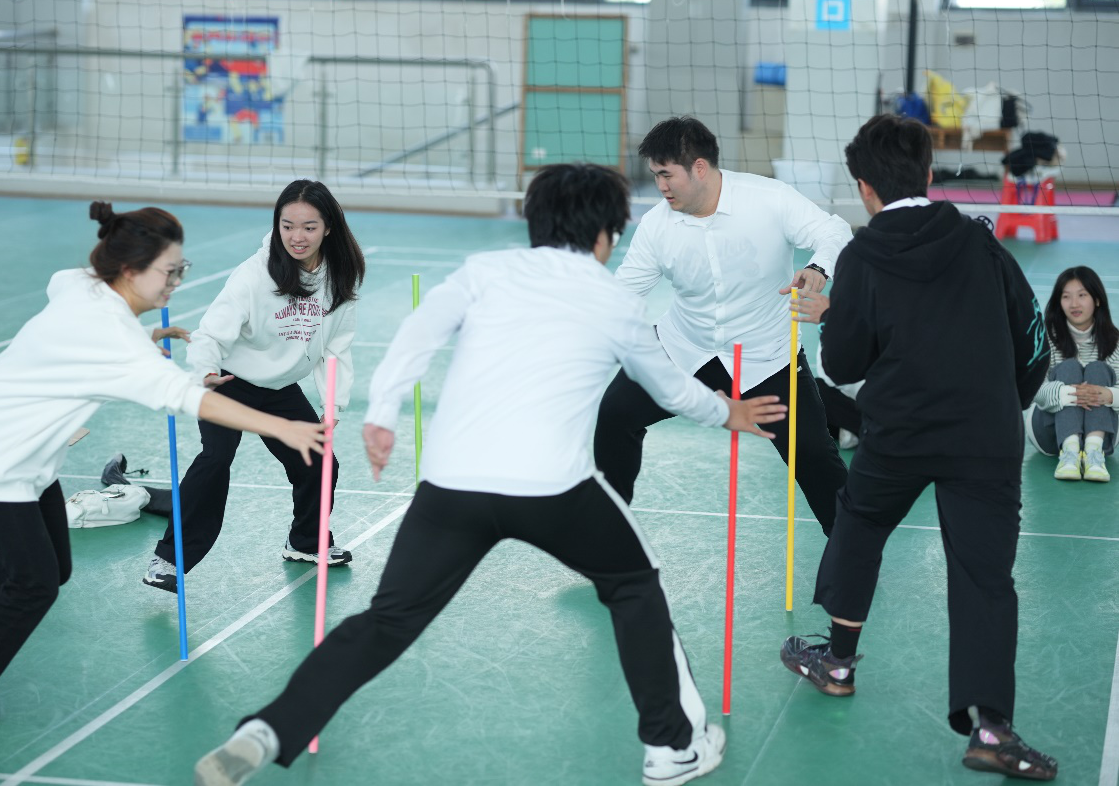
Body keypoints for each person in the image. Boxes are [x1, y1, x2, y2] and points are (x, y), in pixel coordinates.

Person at [193, 163, 789, 786]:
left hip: (452, 486)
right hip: (555, 490)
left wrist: (383, 415)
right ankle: (671, 748)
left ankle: (268, 729)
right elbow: (669, 388)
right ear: (606, 234)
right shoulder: (615, 299)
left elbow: (416, 335)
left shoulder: (485, 271)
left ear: (534, 222)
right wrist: (729, 412)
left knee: (386, 621)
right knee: (635, 587)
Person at [0, 203, 326, 725]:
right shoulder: (111, 336)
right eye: (169, 272)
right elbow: (185, 396)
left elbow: (71, 297)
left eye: (180, 269)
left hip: (31, 456)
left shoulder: (83, 285)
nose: (176, 282)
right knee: (34, 583)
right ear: (129, 270)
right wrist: (282, 426)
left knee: (53, 568)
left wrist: (144, 340)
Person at [781, 114, 1056, 781]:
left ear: (863, 188)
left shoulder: (860, 258)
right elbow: (1032, 335)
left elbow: (843, 363)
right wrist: (1005, 402)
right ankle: (991, 728)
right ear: (929, 174)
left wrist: (835, 315)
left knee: (859, 523)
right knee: (984, 575)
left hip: (898, 434)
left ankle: (837, 662)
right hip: (984, 435)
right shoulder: (979, 241)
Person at [594, 115, 852, 536]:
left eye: (666, 174)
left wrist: (819, 267)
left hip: (765, 357)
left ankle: (852, 548)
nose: (659, 186)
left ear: (699, 167)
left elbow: (833, 230)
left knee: (812, 452)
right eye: (655, 175)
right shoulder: (657, 225)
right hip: (684, 347)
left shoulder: (769, 199)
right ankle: (607, 532)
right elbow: (623, 294)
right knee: (615, 414)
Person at [142, 180, 365, 594]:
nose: (297, 236)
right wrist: (204, 373)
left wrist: (333, 404)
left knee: (319, 462)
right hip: (228, 382)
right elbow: (211, 333)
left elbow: (337, 346)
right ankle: (169, 559)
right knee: (215, 459)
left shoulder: (340, 277)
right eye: (287, 226)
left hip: (280, 388)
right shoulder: (253, 275)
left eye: (309, 227)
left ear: (329, 228)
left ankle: (305, 542)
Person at [1029, 266, 1117, 482]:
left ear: (1097, 299)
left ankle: (1094, 455)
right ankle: (1069, 454)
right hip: (1049, 434)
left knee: (1098, 369)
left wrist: (1107, 395)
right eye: (1066, 297)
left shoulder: (1115, 341)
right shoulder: (1045, 337)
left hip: (1103, 435)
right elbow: (1033, 389)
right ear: (1059, 302)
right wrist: (1068, 393)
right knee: (1069, 367)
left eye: (1082, 295)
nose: (1074, 304)